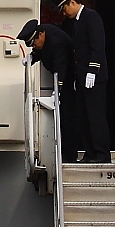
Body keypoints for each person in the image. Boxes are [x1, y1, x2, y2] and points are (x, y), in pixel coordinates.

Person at [52, 0, 111, 163]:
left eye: (64, 8)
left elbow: (97, 47)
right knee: (84, 117)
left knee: (96, 117)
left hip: (94, 77)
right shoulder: (77, 22)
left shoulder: (91, 17)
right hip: (83, 77)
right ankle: (90, 153)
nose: (64, 13)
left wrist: (93, 70)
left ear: (72, 2)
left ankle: (102, 154)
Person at [17, 19, 77, 161]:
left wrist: (58, 89)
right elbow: (40, 50)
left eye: (34, 44)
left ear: (40, 35)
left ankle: (70, 156)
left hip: (70, 79)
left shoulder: (58, 41)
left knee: (69, 119)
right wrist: (32, 57)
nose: (35, 47)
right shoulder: (43, 37)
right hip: (61, 78)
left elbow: (60, 68)